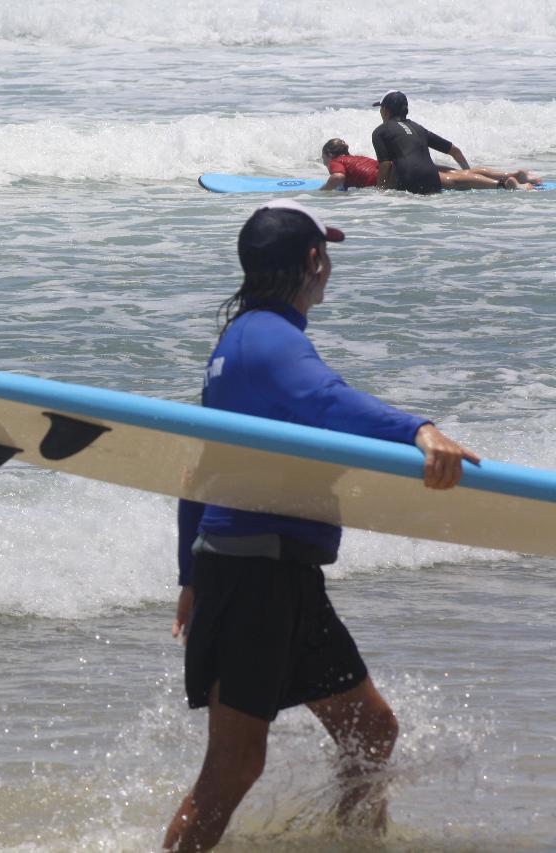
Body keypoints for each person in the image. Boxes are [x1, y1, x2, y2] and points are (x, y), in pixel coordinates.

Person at [163, 199, 480, 852]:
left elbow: (202, 465)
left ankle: (356, 843)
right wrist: (418, 428)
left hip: (275, 574)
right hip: (256, 577)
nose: (328, 265)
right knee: (232, 768)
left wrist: (190, 574)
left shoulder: (242, 340)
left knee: (371, 730)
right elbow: (330, 401)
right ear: (313, 260)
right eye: (325, 253)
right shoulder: (270, 340)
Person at [370, 90, 541, 192]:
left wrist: (381, 190)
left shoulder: (380, 131)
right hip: (432, 178)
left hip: (412, 183)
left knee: (452, 179)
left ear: (385, 110)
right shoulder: (419, 128)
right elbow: (455, 150)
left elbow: (385, 165)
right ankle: (514, 176)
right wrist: (468, 171)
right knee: (455, 175)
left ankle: (503, 186)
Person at [322, 136, 540, 192]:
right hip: (408, 165)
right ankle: (511, 174)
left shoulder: (337, 162)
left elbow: (338, 178)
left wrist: (323, 192)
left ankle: (504, 186)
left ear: (330, 155)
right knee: (458, 172)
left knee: (453, 180)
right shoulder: (357, 157)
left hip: (400, 176)